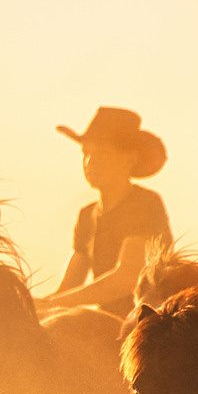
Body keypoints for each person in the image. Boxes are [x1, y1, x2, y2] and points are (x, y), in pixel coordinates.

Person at [35, 106, 173, 318]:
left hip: (149, 323)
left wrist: (52, 304)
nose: (90, 161)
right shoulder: (87, 215)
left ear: (129, 159)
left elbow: (127, 277)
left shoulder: (145, 203)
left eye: (102, 152)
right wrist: (34, 305)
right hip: (108, 324)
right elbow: (69, 287)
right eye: (86, 153)